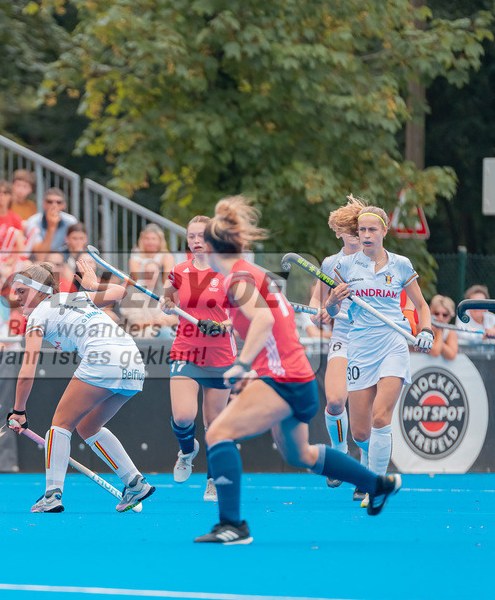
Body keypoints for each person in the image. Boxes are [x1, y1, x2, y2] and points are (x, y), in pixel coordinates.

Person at [196, 196, 402, 545]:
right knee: (299, 454)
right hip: (296, 377)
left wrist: (244, 364)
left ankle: (233, 525)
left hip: (282, 379)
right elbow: (278, 325)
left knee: (218, 433)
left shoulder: (237, 280)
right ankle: (375, 483)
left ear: (213, 249)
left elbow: (262, 320)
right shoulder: (254, 273)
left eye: (201, 246)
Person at [8, 259, 154, 513]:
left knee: (60, 424)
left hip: (103, 358)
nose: (16, 297)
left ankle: (52, 495)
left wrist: (19, 411)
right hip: (133, 360)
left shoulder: (39, 314)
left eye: (22, 291)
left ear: (40, 291)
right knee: (88, 426)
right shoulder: (71, 298)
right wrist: (93, 285)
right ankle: (135, 483)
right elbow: (120, 292)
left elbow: (26, 371)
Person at [324, 200, 433, 502]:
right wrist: (333, 298)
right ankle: (367, 468)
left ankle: (375, 486)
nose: (367, 235)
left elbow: (422, 306)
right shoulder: (344, 266)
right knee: (360, 433)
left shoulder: (401, 264)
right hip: (359, 347)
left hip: (393, 343)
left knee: (381, 417)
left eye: (372, 229)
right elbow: (332, 311)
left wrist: (426, 331)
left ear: (384, 231)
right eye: (362, 230)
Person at [159, 215, 236, 501]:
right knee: (183, 416)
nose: (196, 241)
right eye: (191, 236)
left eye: (201, 236)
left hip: (220, 354)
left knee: (214, 423)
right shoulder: (178, 270)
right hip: (186, 349)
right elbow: (169, 299)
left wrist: (222, 326)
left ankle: (213, 480)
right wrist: (167, 305)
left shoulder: (229, 273)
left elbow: (242, 319)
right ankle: (187, 450)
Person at [306, 198, 362, 486]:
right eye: (347, 229)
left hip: (373, 340)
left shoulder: (378, 260)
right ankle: (340, 454)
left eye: (358, 229)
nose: (354, 235)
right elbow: (318, 302)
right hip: (343, 337)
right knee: (336, 401)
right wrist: (321, 311)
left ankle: (367, 470)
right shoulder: (331, 263)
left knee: (368, 423)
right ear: (338, 232)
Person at [24, 188, 78, 257]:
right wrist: (52, 226)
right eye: (50, 202)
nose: (54, 205)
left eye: (58, 202)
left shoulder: (71, 221)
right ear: (44, 203)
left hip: (63, 258)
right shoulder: (33, 221)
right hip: (39, 260)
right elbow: (40, 255)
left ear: (64, 205)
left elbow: (76, 246)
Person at [129, 224, 176, 296]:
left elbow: (168, 280)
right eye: (147, 238)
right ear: (142, 240)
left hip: (160, 292)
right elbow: (136, 278)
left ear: (160, 241)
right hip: (140, 291)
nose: (150, 242)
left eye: (153, 239)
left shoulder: (166, 256)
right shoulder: (136, 255)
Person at [429, 295, 459, 361]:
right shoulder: (425, 327)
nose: (440, 318)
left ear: (450, 316)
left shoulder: (450, 331)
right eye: (436, 313)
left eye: (445, 315)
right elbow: (435, 352)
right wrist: (440, 334)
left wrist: (438, 338)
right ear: (431, 312)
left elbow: (452, 355)